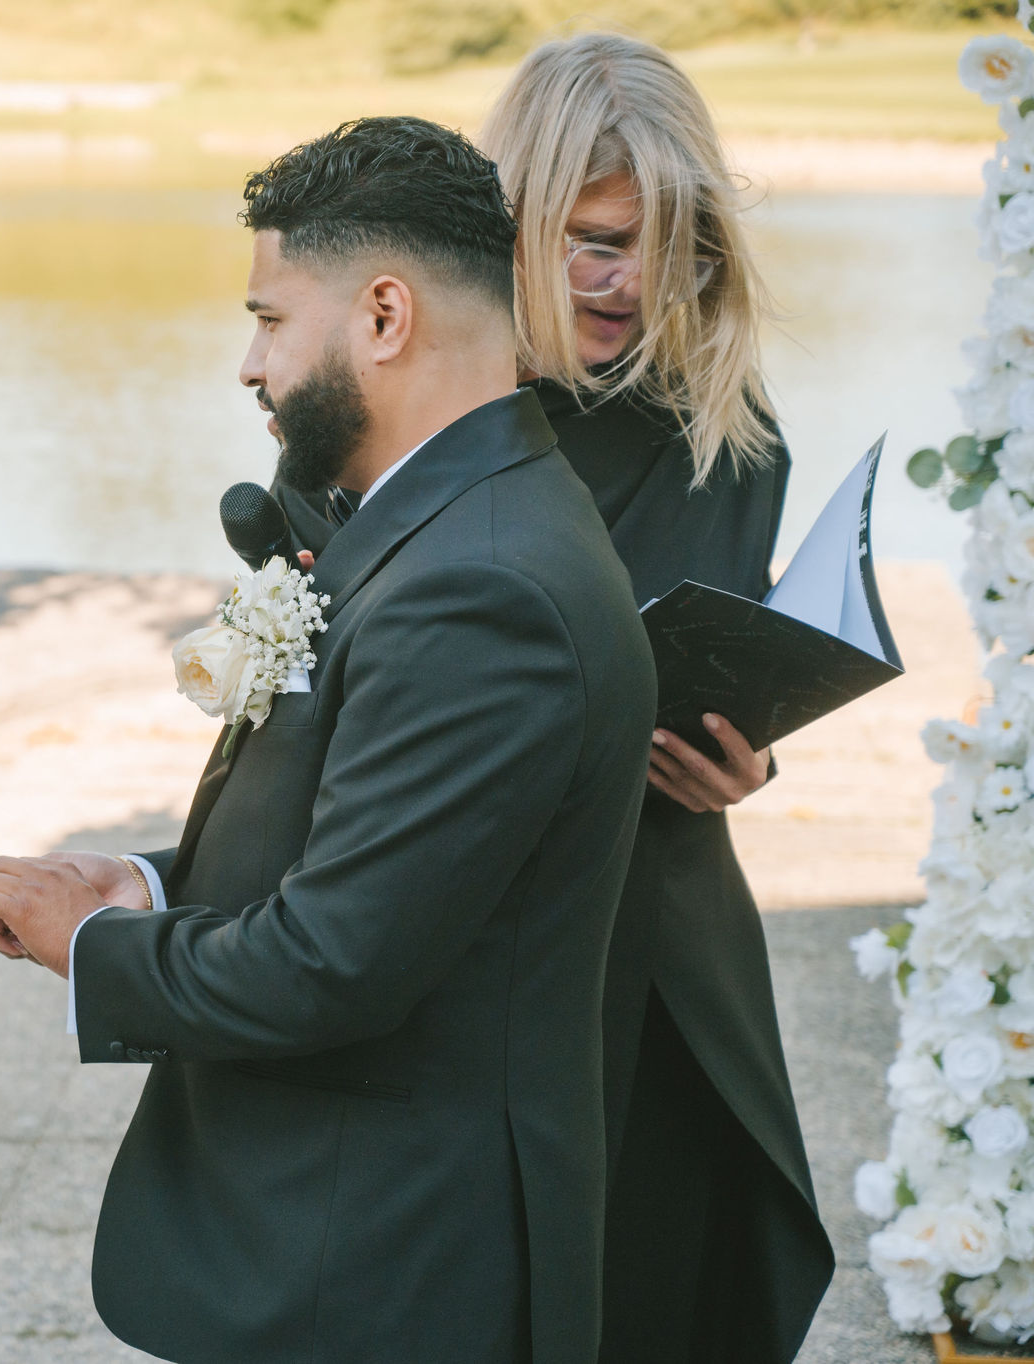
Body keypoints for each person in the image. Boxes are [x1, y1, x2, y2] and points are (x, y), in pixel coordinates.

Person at [0, 117, 657, 1363]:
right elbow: (370, 854)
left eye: (270, 319)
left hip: (384, 1261)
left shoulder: (482, 584)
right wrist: (143, 883)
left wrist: (93, 944)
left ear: (383, 314)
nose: (249, 364)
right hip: (352, 1241)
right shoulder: (449, 521)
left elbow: (333, 959)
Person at [479, 34, 836, 1363]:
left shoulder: (732, 436)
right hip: (474, 926)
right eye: (592, 240)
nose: (625, 279)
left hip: (662, 933)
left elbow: (721, 651)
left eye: (663, 244)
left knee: (664, 1299)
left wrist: (750, 757)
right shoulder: (418, 409)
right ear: (516, 218)